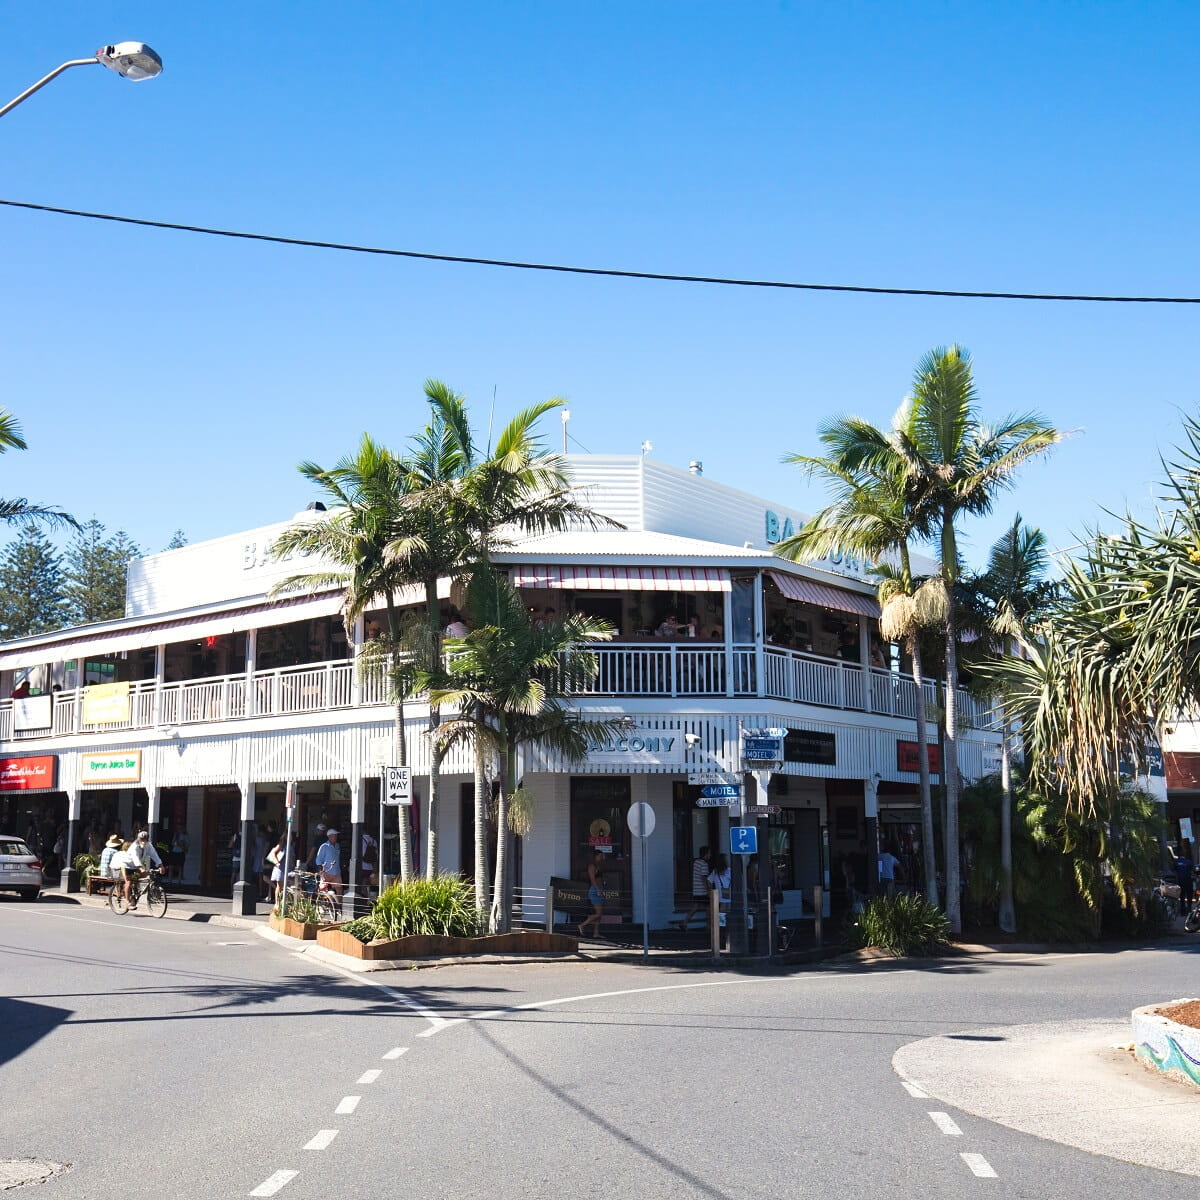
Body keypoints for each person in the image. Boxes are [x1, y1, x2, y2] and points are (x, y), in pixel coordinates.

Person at [675, 845, 712, 930]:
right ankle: (709, 925)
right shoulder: (704, 864)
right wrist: (708, 890)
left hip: (696, 890)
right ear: (705, 854)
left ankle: (684, 922)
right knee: (709, 908)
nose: (710, 855)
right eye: (709, 853)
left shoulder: (696, 862)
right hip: (703, 891)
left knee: (695, 907)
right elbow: (703, 878)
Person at [123, 830, 163, 908]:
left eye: (145, 840)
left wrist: (160, 865)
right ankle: (127, 902)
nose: (143, 841)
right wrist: (141, 869)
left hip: (139, 865)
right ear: (138, 839)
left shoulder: (149, 846)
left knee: (144, 877)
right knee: (129, 882)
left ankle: (135, 894)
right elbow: (135, 859)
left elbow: (154, 855)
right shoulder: (134, 847)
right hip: (129, 865)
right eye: (142, 839)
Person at [578, 851, 607, 939]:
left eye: (602, 856)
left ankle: (596, 933)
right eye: (600, 856)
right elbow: (592, 879)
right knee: (598, 913)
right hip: (595, 890)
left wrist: (603, 882)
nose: (602, 857)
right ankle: (582, 925)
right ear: (596, 856)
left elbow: (599, 877)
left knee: (600, 914)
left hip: (600, 888)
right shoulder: (592, 866)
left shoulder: (599, 865)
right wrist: (598, 890)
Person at [314, 828, 344, 914]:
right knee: (322, 889)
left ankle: (338, 907)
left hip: (336, 872)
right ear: (330, 836)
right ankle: (320, 906)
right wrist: (321, 871)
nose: (336, 837)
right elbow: (318, 860)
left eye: (336, 835)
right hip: (326, 871)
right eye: (334, 835)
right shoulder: (324, 846)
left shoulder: (338, 846)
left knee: (339, 889)